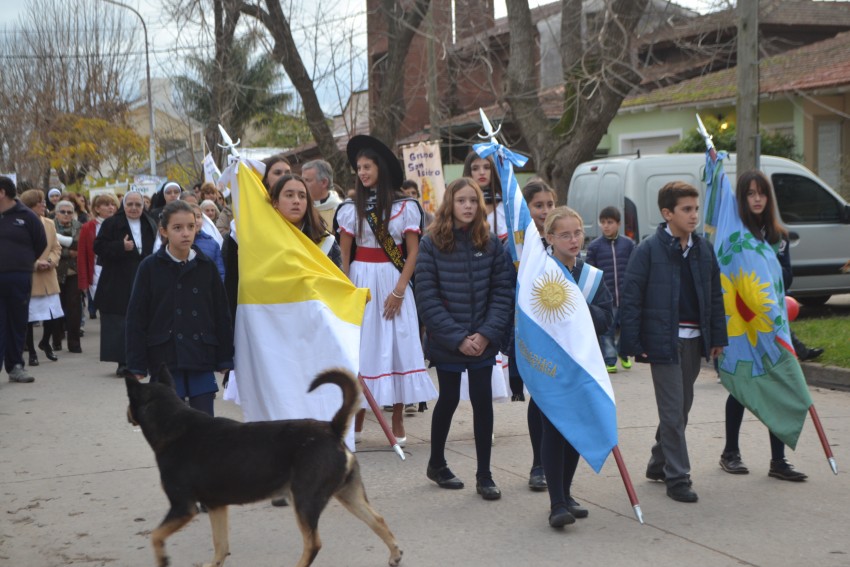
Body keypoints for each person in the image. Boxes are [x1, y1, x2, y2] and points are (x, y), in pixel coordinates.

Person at [619, 181, 727, 503]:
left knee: (681, 408)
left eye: (696, 209)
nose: (694, 216)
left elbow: (714, 296)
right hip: (663, 342)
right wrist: (633, 342)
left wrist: (717, 337)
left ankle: (658, 461)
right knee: (671, 411)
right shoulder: (648, 250)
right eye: (686, 210)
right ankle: (678, 478)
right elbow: (631, 298)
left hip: (695, 341)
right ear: (667, 213)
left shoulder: (704, 248)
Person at [415, 178, 513, 499]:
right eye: (462, 200)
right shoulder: (431, 243)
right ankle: (437, 463)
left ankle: (484, 475)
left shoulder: (491, 244)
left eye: (474, 200)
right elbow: (427, 298)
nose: (468, 206)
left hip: (483, 339)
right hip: (448, 341)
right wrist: (458, 338)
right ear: (450, 204)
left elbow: (502, 293)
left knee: (483, 400)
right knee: (450, 399)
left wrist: (485, 334)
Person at [335, 135, 437, 444]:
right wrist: (349, 294)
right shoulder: (350, 210)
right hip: (362, 282)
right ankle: (359, 415)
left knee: (398, 344)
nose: (363, 172)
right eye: (359, 167)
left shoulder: (405, 207)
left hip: (394, 281)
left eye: (367, 166)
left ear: (381, 168)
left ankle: (396, 417)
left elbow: (413, 252)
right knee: (364, 347)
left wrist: (400, 290)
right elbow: (345, 256)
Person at [718, 170, 808, 482]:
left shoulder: (776, 236)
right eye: (750, 194)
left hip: (771, 323)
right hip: (743, 323)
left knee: (777, 384)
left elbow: (787, 280)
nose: (757, 199)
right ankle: (730, 452)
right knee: (743, 385)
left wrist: (771, 264)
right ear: (742, 199)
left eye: (762, 193)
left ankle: (778, 461)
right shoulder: (737, 235)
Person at [540, 206, 613, 526]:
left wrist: (580, 310)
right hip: (551, 367)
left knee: (574, 432)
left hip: (583, 366)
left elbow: (608, 316)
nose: (573, 240)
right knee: (554, 430)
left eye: (577, 233)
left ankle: (566, 493)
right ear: (550, 237)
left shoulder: (590, 275)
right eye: (565, 234)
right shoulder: (540, 273)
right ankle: (556, 503)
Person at [126, 200, 233, 416]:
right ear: (164, 231)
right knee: (169, 426)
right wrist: (136, 364)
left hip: (200, 354)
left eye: (191, 227)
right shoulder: (149, 267)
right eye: (177, 228)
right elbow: (136, 317)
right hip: (164, 355)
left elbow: (221, 314)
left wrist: (224, 357)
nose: (185, 233)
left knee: (203, 425)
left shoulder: (206, 266)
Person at [516, 180, 557, 489]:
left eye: (550, 204)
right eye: (538, 205)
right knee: (539, 398)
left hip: (560, 330)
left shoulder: (563, 238)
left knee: (558, 399)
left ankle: (558, 463)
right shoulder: (521, 245)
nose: (545, 211)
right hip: (532, 328)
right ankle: (539, 464)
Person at [93, 191, 159, 376]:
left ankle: (141, 360)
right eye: (130, 204)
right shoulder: (112, 223)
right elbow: (98, 247)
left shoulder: (149, 223)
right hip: (117, 280)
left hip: (144, 277)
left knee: (143, 319)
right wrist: (119, 247)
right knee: (119, 322)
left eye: (138, 205)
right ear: (123, 205)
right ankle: (123, 362)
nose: (134, 208)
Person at [0, 176, 46, 383]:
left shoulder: (26, 216)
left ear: (2, 193)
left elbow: (40, 242)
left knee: (17, 322)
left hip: (18, 277)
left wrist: (23, 262)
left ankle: (16, 366)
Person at [585, 206, 636, 373]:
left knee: (628, 328)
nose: (606, 226)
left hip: (626, 296)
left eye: (610, 222)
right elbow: (591, 271)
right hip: (607, 298)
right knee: (607, 330)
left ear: (618, 224)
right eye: (603, 222)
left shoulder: (628, 244)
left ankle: (623, 353)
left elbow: (635, 269)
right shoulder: (595, 246)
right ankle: (610, 358)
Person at [20, 189, 64, 367]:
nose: (44, 204)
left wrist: (51, 261)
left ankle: (45, 342)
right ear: (30, 205)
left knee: (54, 315)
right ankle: (31, 351)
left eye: (44, 202)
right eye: (40, 202)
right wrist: (35, 263)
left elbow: (56, 247)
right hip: (31, 275)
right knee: (30, 318)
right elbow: (19, 251)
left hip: (49, 275)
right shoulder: (21, 224)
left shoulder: (49, 223)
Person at [271, 174, 341, 267]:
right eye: (289, 195)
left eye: (302, 196)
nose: (296, 201)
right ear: (275, 202)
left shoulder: (326, 242)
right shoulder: (266, 239)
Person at [77, 194, 118, 320]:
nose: (111, 208)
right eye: (106, 205)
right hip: (96, 272)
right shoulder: (87, 227)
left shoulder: (120, 224)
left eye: (113, 204)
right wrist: (83, 281)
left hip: (118, 272)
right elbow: (82, 255)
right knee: (105, 308)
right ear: (97, 208)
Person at [52, 200, 83, 353]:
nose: (66, 215)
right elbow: (48, 245)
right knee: (56, 307)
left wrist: (66, 247)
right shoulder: (49, 225)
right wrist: (67, 252)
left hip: (73, 271)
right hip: (54, 272)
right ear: (56, 213)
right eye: (62, 212)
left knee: (74, 307)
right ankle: (56, 340)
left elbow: (79, 245)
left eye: (69, 212)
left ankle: (74, 343)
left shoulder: (79, 226)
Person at [462, 151, 505, 241]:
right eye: (475, 168)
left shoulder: (506, 203)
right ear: (469, 172)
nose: (482, 172)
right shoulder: (460, 204)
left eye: (486, 167)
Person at [301, 159, 343, 229]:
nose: (302, 184)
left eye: (307, 180)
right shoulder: (300, 206)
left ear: (324, 182)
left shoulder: (340, 210)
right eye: (302, 180)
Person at [189, 204, 225, 281]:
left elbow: (220, 272)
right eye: (192, 217)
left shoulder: (212, 243)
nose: (196, 220)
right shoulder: (175, 242)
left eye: (198, 217)